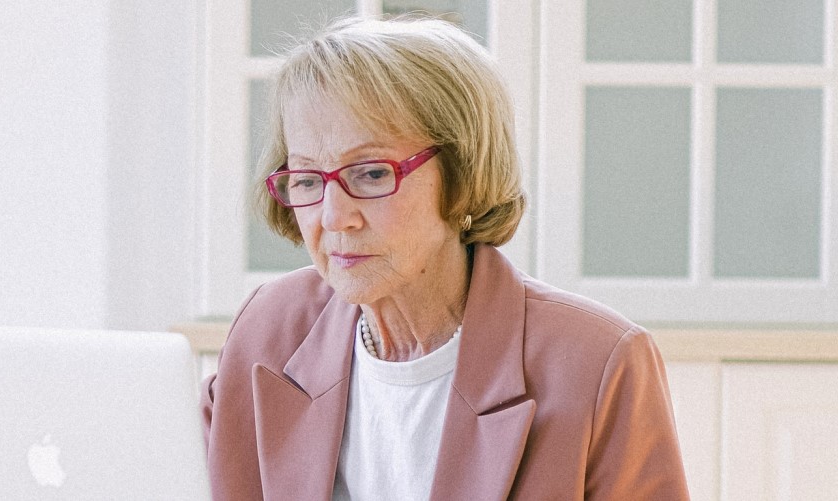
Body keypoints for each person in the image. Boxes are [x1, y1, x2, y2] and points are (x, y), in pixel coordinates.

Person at [199, 16, 690, 500]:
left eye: (371, 174)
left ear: (462, 174)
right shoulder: (267, 330)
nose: (333, 217)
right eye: (307, 180)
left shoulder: (599, 361)